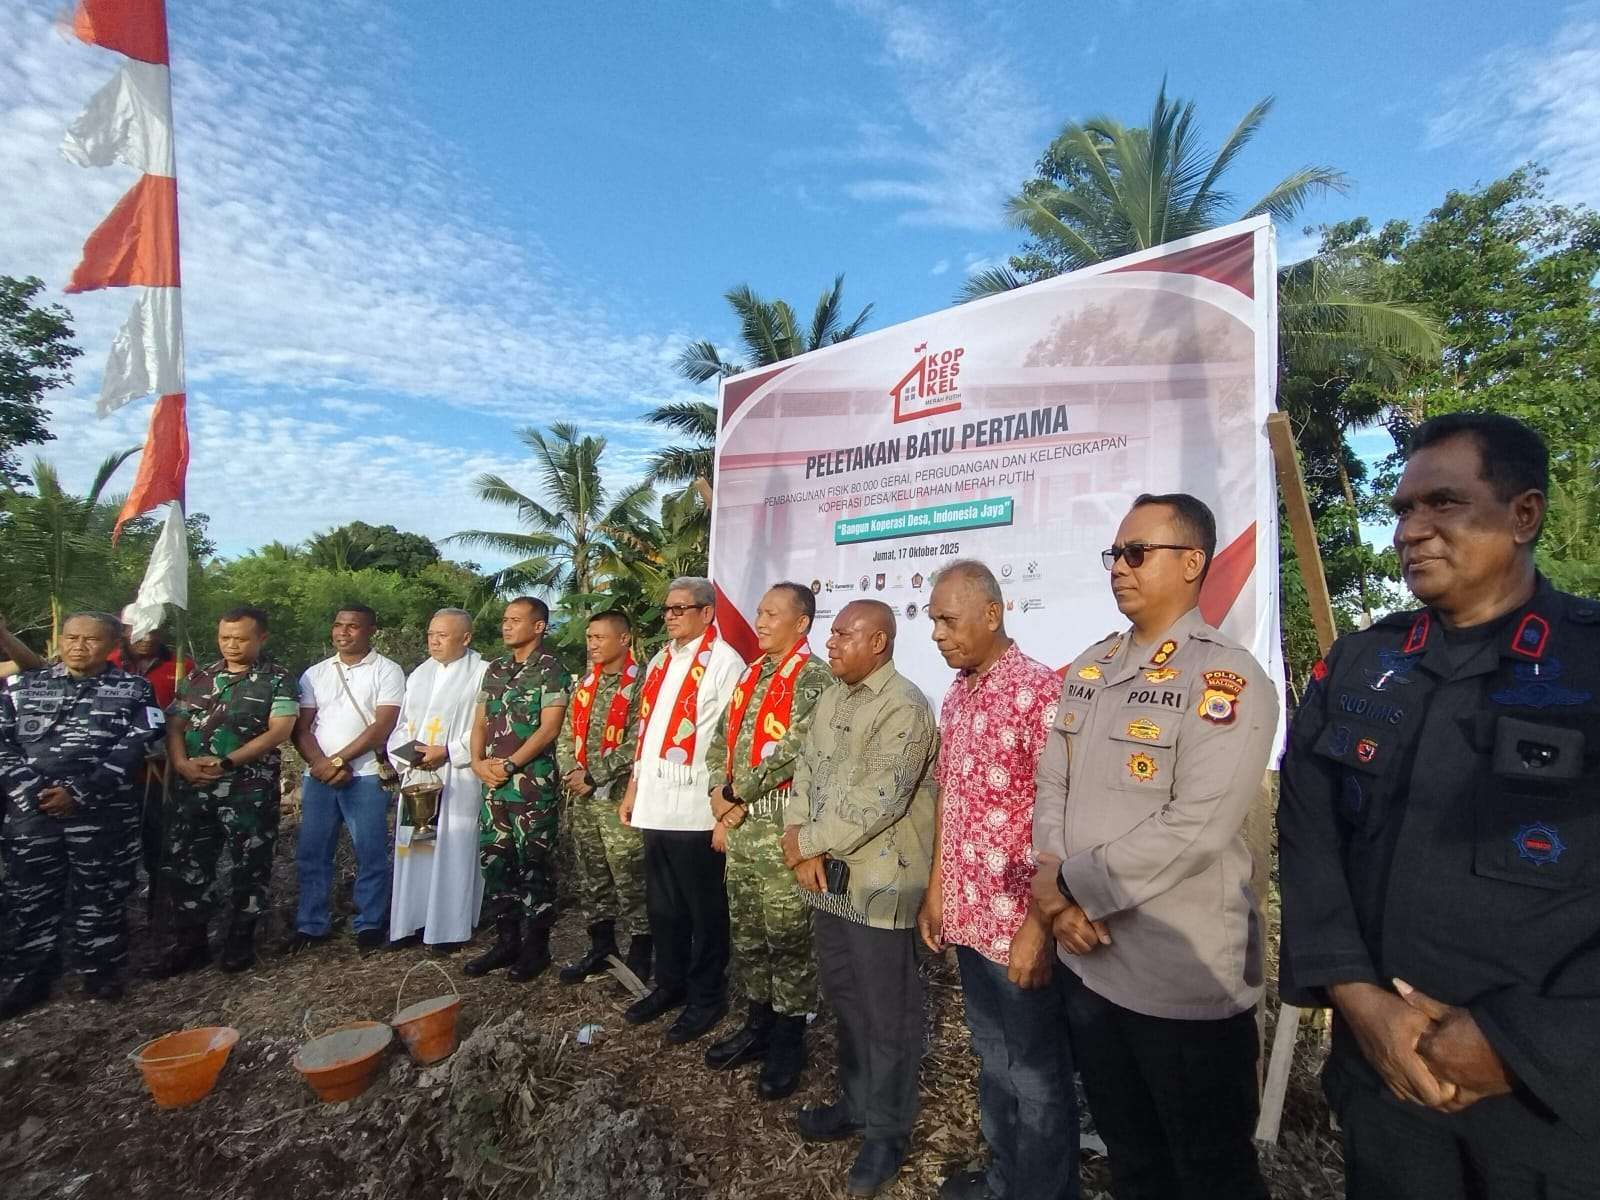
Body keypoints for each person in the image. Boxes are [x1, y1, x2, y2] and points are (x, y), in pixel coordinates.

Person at [1278, 413, 1600, 1199]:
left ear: (1523, 515)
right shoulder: (1363, 663)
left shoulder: (1588, 660)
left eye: (1445, 504)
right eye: (1402, 510)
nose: (1412, 531)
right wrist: (1361, 1005)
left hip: (1551, 1105)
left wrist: (1518, 1045)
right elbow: (1311, 840)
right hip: (1389, 1082)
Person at [1031, 492, 1274, 1200]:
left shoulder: (1224, 678)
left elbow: (1198, 825)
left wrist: (1071, 887)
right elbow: (1054, 782)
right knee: (1132, 1158)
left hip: (1180, 985)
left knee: (1210, 1173)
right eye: (1115, 553)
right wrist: (1055, 886)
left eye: (1138, 552)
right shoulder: (1091, 666)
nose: (1119, 567)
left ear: (1193, 562)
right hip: (1090, 965)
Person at [919, 561, 1078, 1200]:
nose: (935, 633)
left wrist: (1038, 931)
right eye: (932, 619)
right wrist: (938, 893)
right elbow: (951, 804)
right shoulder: (958, 695)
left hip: (1020, 928)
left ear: (993, 613)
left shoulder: (1039, 694)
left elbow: (1061, 827)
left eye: (947, 619)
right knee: (995, 1062)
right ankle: (1005, 1179)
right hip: (969, 919)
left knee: (1038, 1077)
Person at [784, 599, 939, 1198]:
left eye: (845, 634)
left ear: (878, 642)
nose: (832, 643)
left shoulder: (906, 706)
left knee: (887, 1015)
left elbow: (882, 798)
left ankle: (887, 1133)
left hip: (880, 885)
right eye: (833, 634)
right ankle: (855, 1102)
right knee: (846, 1000)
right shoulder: (831, 698)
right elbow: (807, 774)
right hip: (829, 884)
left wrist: (808, 844)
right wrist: (801, 841)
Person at [703, 582, 834, 1100]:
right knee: (750, 932)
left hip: (782, 827)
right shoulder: (753, 673)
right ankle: (757, 1023)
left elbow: (795, 749)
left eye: (772, 613)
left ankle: (789, 1037)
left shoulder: (814, 677)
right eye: (758, 611)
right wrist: (719, 788)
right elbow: (721, 739)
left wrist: (735, 792)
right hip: (741, 827)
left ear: (801, 623)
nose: (760, 621)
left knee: (789, 938)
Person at [0, 612, 164, 1017]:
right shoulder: (21, 686)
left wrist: (81, 791)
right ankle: (28, 979)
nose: (78, 646)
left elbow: (138, 742)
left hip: (102, 813)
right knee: (29, 897)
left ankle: (100, 970)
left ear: (110, 646)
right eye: (71, 637)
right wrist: (33, 790)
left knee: (103, 893)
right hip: (31, 815)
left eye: (90, 640)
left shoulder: (134, 689)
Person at [618, 576, 746, 1043]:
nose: (669, 616)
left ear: (707, 614)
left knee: (704, 910)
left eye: (680, 609)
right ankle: (669, 984)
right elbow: (647, 734)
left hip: (695, 809)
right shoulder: (658, 660)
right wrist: (633, 790)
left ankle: (706, 996)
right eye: (667, 609)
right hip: (655, 802)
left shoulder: (726, 664)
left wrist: (725, 812)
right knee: (664, 908)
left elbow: (730, 742)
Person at [152, 606, 297, 976]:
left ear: (261, 638)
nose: (231, 645)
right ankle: (191, 943)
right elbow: (175, 724)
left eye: (240, 638)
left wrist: (227, 763)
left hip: (247, 791)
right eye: (225, 638)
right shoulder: (201, 676)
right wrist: (182, 764)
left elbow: (279, 730)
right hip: (194, 788)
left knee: (249, 867)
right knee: (189, 866)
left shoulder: (277, 678)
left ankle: (239, 942)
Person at [464, 596, 569, 981]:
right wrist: (477, 762)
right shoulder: (494, 669)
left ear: (538, 626)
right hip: (493, 784)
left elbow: (549, 728)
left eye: (515, 620)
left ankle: (536, 948)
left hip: (530, 785)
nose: (506, 626)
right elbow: (479, 721)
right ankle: (506, 942)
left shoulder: (551, 670)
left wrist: (510, 764)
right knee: (495, 862)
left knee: (534, 865)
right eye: (505, 619)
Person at [290, 604, 405, 954]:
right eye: (338, 625)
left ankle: (369, 922)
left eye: (353, 626)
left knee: (369, 851)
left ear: (371, 630)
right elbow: (302, 726)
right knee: (313, 851)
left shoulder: (388, 671)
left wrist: (341, 760)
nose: (343, 632)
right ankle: (311, 923)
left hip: (367, 775)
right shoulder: (315, 674)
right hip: (319, 778)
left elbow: (382, 726)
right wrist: (321, 764)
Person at [386, 608, 488, 951]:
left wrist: (447, 750)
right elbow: (402, 723)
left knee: (452, 847)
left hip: (457, 774)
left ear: (466, 638)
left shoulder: (483, 673)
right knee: (415, 848)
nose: (434, 640)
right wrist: (406, 752)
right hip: (418, 772)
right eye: (431, 633)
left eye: (443, 635)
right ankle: (411, 923)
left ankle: (448, 929)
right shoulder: (419, 674)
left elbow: (484, 727)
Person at [555, 609, 648, 984]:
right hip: (583, 798)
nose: (592, 644)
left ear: (624, 639)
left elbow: (639, 740)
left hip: (619, 798)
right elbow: (565, 735)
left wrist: (596, 774)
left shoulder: (642, 683)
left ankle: (643, 953)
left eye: (600, 637)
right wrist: (571, 772)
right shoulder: (585, 683)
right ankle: (601, 947)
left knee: (630, 877)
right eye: (589, 637)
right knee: (592, 878)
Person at [107, 608, 190, 887]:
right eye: (139, 629)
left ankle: (160, 910)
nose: (146, 637)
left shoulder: (183, 667)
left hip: (162, 775)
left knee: (161, 846)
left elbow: (195, 717)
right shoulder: (106, 663)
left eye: (153, 629)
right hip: (109, 777)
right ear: (124, 631)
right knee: (111, 851)